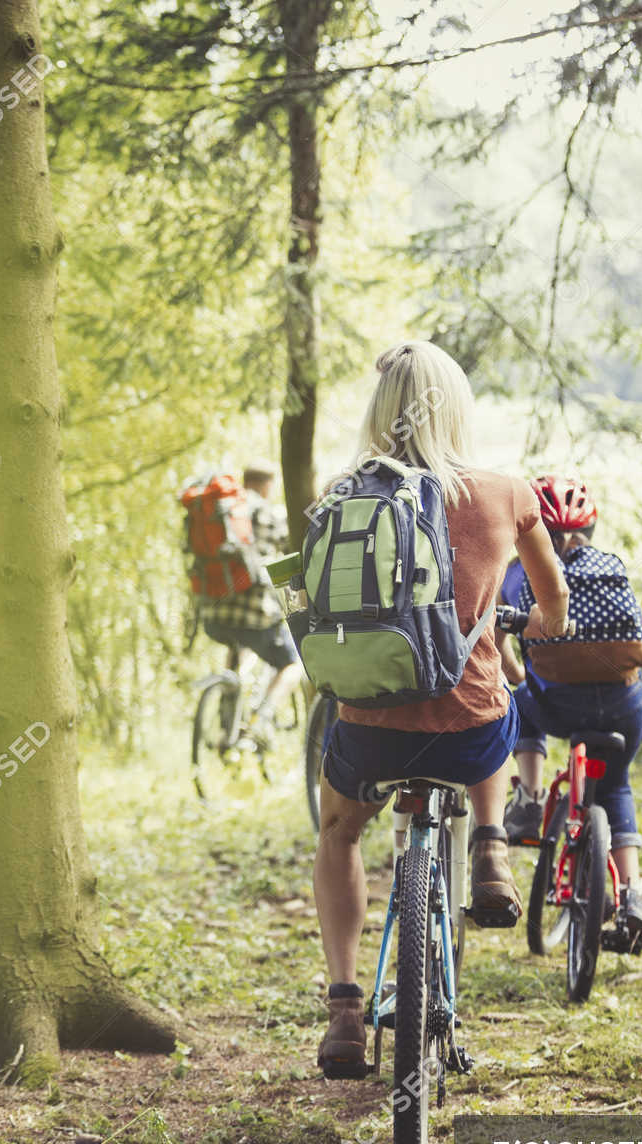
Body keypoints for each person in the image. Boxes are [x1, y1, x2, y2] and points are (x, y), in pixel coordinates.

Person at [313, 342, 570, 1079]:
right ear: (457, 408)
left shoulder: (341, 496)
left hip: (368, 735)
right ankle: (490, 844)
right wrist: (536, 627)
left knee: (337, 832)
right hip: (469, 736)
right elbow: (549, 603)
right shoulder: (506, 493)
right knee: (505, 704)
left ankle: (342, 1007)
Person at [498, 476, 642, 953]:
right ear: (590, 530)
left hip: (559, 706)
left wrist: (521, 676)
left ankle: (531, 797)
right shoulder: (611, 571)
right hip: (623, 708)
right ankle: (632, 896)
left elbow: (499, 644)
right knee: (616, 785)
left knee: (521, 705)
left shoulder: (519, 574)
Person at [197, 460, 305, 736]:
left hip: (212, 615)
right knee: (292, 665)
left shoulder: (222, 512)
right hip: (255, 617)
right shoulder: (269, 513)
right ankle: (258, 724)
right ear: (268, 485)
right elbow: (291, 551)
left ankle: (227, 715)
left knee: (237, 644)